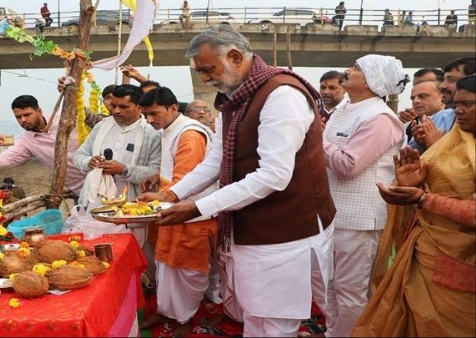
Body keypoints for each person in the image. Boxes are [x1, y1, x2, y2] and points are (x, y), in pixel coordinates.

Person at [150, 25, 336, 337]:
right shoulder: (234, 98)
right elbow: (217, 159)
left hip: (286, 230)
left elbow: (273, 176)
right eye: (201, 72)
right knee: (256, 314)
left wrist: (197, 208)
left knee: (276, 321)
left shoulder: (282, 95)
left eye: (208, 70)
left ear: (235, 56)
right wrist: (172, 194)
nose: (205, 80)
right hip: (249, 226)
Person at [353, 74, 475, 337]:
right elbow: (437, 192)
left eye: (469, 104)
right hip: (426, 252)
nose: (460, 111)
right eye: (457, 104)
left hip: (466, 264)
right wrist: (413, 185)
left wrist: (421, 198)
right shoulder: (450, 144)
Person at [319, 54, 408, 337]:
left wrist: (314, 137)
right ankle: (335, 332)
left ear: (372, 80)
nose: (347, 70)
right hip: (331, 214)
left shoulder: (381, 119)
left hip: (358, 220)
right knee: (327, 285)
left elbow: (348, 165)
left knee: (350, 291)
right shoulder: (346, 108)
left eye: (356, 68)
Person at [136, 86, 218, 336]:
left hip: (192, 215)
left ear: (173, 108)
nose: (149, 120)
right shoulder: (170, 128)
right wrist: (157, 177)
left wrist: (160, 195)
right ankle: (166, 310)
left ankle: (186, 317)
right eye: (145, 114)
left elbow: (188, 178)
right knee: (166, 266)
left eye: (153, 113)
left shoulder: (190, 134)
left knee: (187, 270)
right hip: (172, 211)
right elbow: (174, 171)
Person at [72, 84, 161, 246]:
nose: (116, 111)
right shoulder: (101, 127)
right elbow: (78, 156)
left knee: (128, 256)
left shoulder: (152, 133)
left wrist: (124, 170)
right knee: (94, 251)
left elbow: (156, 172)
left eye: (123, 107)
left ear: (139, 107)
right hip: (96, 205)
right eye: (114, 106)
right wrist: (89, 161)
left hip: (131, 209)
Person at [0, 95, 85, 198]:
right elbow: (2, 162)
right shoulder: (25, 142)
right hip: (82, 191)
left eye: (27, 114)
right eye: (18, 117)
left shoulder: (64, 118)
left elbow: (89, 116)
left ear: (39, 111)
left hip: (101, 176)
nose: (23, 120)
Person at [410, 57, 476, 153]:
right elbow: (409, 158)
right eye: (444, 79)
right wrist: (420, 143)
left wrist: (436, 147)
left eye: (451, 80)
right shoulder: (438, 118)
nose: (442, 86)